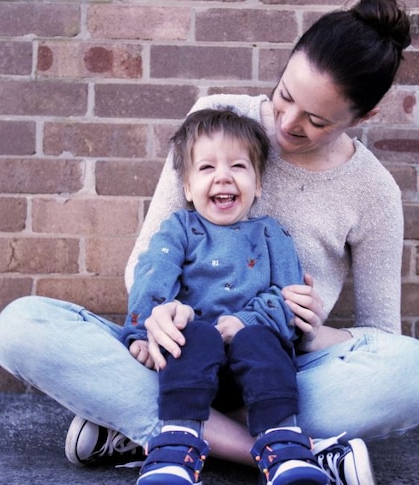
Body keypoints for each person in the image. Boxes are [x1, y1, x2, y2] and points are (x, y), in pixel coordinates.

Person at [0, 1, 419, 484]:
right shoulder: (216, 119)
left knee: (417, 374)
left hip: (280, 365)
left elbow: (381, 334)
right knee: (21, 326)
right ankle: (281, 451)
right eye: (284, 95)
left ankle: (156, 433)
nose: (288, 122)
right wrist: (157, 319)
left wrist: (314, 333)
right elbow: (148, 260)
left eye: (316, 120)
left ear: (365, 115)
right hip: (177, 351)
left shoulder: (373, 192)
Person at [123, 107, 327, 485]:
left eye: (238, 166)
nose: (223, 177)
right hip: (188, 363)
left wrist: (245, 322)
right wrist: (140, 334)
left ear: (258, 183)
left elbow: (290, 300)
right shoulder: (180, 229)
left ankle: (283, 446)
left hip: (255, 369)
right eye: (206, 168)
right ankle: (175, 448)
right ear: (186, 186)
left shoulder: (271, 234)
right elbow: (152, 279)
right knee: (192, 331)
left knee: (261, 341)